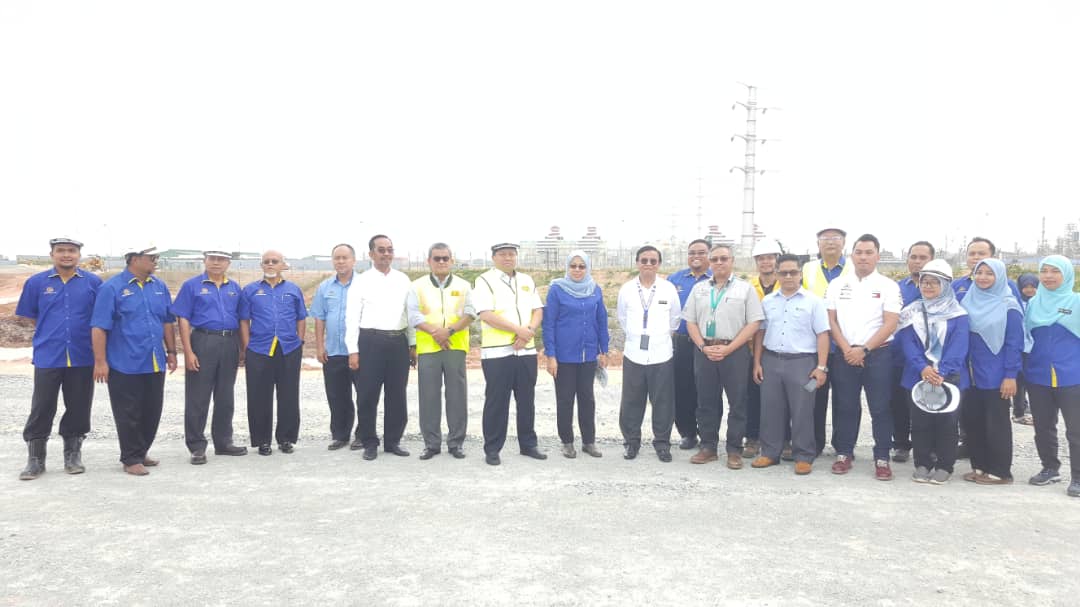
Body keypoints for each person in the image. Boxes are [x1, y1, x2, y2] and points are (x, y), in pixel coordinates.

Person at [16, 237, 102, 480]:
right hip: (48, 355)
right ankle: (35, 459)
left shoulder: (93, 283)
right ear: (52, 254)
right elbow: (31, 315)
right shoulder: (36, 282)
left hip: (82, 355)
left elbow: (100, 319)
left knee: (78, 406)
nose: (67, 255)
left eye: (72, 251)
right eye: (61, 251)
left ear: (79, 255)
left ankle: (73, 455)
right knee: (42, 406)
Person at [91, 244, 177, 476]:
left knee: (152, 410)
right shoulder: (112, 288)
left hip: (154, 360)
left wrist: (171, 352)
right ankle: (130, 458)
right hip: (124, 361)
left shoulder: (159, 286)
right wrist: (100, 362)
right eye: (151, 257)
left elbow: (167, 321)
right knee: (128, 412)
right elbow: (99, 327)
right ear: (134, 259)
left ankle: (141, 450)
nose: (155, 260)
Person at [825, 234, 902, 480]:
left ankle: (882, 457)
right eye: (859, 252)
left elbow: (890, 323)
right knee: (846, 405)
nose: (864, 257)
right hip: (845, 354)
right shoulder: (838, 284)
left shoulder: (888, 286)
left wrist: (864, 350)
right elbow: (831, 320)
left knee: (880, 407)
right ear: (852, 255)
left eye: (869, 252)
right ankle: (844, 453)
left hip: (878, 354)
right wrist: (847, 349)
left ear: (878, 256)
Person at [684, 244, 764, 469]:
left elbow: (755, 323)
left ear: (732, 261)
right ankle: (708, 447)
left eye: (724, 258)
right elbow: (690, 320)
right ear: (710, 262)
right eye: (715, 259)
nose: (719, 263)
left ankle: (734, 450)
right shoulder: (699, 289)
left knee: (738, 402)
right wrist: (702, 346)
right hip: (705, 351)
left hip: (735, 352)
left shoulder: (745, 289)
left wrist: (729, 349)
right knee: (706, 401)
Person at [751, 254, 829, 474]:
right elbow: (760, 333)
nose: (788, 277)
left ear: (800, 274)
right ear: (776, 274)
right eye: (783, 272)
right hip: (771, 360)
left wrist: (821, 367)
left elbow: (823, 335)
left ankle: (803, 455)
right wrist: (757, 362)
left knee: (802, 410)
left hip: (802, 363)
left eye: (792, 272)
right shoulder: (767, 302)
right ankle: (769, 453)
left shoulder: (813, 302)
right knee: (770, 409)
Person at [896, 259, 970, 484]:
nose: (927, 287)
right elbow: (907, 342)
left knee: (947, 423)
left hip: (949, 378)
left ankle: (945, 465)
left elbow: (959, 346)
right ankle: (922, 463)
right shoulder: (911, 312)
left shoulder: (959, 314)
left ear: (945, 285)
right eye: (924, 282)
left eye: (934, 283)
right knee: (920, 422)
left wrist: (941, 372)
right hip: (917, 376)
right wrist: (923, 368)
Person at [171, 250, 247, 465]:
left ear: (228, 263)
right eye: (212, 259)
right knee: (198, 396)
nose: (216, 263)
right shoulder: (192, 286)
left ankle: (223, 442)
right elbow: (183, 318)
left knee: (225, 396)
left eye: (221, 259)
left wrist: (242, 348)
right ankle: (196, 446)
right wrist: (188, 351)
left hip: (229, 342)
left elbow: (241, 319)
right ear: (205, 261)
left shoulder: (234, 288)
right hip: (203, 341)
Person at [473, 243, 546, 465]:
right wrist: (518, 331)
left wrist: (528, 332)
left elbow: (538, 310)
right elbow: (485, 314)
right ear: (494, 257)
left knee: (526, 399)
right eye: (502, 254)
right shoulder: (484, 280)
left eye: (511, 254)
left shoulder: (526, 280)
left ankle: (528, 444)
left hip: (525, 351)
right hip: (497, 354)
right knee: (497, 401)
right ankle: (493, 448)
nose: (508, 258)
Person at [345, 235, 416, 460]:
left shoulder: (404, 280)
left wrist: (412, 344)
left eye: (389, 250)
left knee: (397, 394)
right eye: (381, 250)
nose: (386, 254)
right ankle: (369, 442)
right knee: (367, 395)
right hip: (370, 342)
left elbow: (410, 313)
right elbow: (352, 318)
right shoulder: (361, 281)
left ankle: (393, 441)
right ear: (371, 254)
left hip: (398, 342)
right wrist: (353, 351)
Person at [407, 243, 475, 460]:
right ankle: (432, 444)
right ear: (429, 261)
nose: (442, 262)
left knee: (456, 396)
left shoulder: (464, 286)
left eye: (445, 258)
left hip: (455, 347)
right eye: (437, 258)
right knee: (429, 397)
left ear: (452, 260)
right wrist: (437, 333)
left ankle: (456, 443)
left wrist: (449, 331)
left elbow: (471, 313)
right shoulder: (416, 286)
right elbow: (413, 316)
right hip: (428, 348)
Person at [960, 258, 1023, 485]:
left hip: (997, 375)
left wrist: (1010, 375)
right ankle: (979, 467)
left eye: (989, 273)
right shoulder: (967, 300)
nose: (983, 277)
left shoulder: (1009, 306)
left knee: (996, 423)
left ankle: (1000, 471)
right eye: (979, 272)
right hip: (971, 374)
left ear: (1000, 277)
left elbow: (1015, 343)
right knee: (973, 422)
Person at [616, 246, 681, 462]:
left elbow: (675, 320)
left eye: (653, 261)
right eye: (644, 260)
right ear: (637, 263)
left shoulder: (668, 288)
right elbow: (622, 318)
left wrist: (659, 337)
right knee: (631, 401)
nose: (648, 264)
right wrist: (637, 335)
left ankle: (662, 444)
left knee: (663, 402)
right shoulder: (626, 289)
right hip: (634, 353)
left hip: (661, 354)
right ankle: (631, 442)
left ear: (659, 264)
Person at [543, 250, 610, 459]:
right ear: (567, 267)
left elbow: (601, 321)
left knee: (587, 400)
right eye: (573, 266)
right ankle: (567, 442)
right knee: (565, 400)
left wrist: (604, 349)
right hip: (563, 357)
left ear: (587, 268)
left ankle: (589, 442)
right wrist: (551, 355)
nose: (578, 270)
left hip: (588, 355)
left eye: (582, 266)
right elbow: (549, 324)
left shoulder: (594, 289)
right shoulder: (557, 289)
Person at [239, 250, 307, 456]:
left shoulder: (294, 290)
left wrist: (300, 341)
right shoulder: (250, 290)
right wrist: (247, 347)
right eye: (266, 262)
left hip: (288, 348)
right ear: (261, 266)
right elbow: (243, 320)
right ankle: (262, 441)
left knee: (288, 395)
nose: (270, 265)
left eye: (274, 261)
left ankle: (286, 439)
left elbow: (301, 317)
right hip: (259, 349)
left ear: (283, 265)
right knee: (259, 396)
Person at [1023, 255, 1080, 498]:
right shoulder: (1034, 303)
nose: (1048, 276)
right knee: (1044, 426)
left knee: (1075, 429)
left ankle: (1077, 477)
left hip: (1072, 375)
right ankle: (1050, 467)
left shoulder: (1076, 302)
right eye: (1044, 271)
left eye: (1054, 271)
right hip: (1038, 375)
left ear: (1066, 274)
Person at [802, 227, 853, 457]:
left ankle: (844, 448)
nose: (830, 242)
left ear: (844, 242)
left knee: (845, 400)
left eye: (835, 238)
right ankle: (814, 444)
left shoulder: (854, 268)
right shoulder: (808, 269)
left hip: (846, 346)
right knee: (813, 396)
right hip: (814, 348)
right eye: (825, 238)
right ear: (817, 243)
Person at [310, 244, 360, 450]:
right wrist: (320, 346)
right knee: (337, 395)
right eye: (337, 258)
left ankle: (363, 435)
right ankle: (340, 435)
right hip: (333, 351)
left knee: (364, 395)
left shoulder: (363, 285)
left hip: (358, 350)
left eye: (345, 258)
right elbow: (320, 318)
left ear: (353, 260)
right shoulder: (325, 287)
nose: (340, 261)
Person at [890, 240, 935, 464]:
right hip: (899, 356)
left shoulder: (941, 288)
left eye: (922, 257)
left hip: (930, 359)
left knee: (928, 403)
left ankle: (929, 447)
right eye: (913, 257)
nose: (917, 262)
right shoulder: (897, 287)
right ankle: (900, 444)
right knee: (898, 403)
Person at [667, 239, 712, 450]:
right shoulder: (674, 280)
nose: (697, 256)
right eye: (692, 252)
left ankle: (708, 435)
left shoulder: (716, 279)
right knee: (682, 389)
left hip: (707, 344)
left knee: (706, 390)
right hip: (682, 343)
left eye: (702, 252)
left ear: (709, 255)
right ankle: (687, 433)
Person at [741, 238, 782, 460]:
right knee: (752, 397)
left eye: (769, 257)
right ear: (756, 261)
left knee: (781, 398)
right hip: (751, 350)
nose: (765, 262)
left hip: (780, 350)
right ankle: (752, 438)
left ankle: (784, 440)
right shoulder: (748, 287)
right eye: (761, 258)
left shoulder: (789, 283)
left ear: (776, 259)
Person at [952, 237, 1022, 303]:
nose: (976, 257)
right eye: (972, 254)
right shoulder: (956, 285)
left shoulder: (1007, 286)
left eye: (981, 254)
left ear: (993, 257)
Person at [1012, 272, 1038, 425]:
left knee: (1034, 381)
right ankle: (1019, 411)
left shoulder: (1041, 303)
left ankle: (1035, 411)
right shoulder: (1015, 302)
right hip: (1019, 347)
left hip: (1035, 348)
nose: (1029, 290)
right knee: (1019, 380)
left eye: (1033, 287)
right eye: (1026, 287)